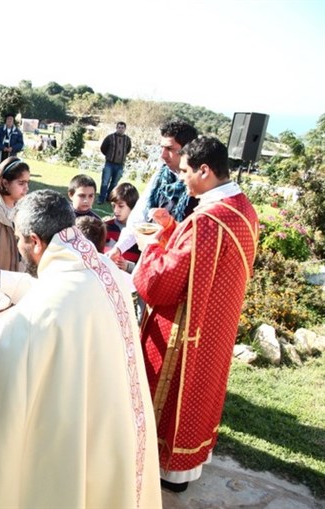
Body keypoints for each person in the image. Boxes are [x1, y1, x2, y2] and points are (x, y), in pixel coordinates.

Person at [0, 189, 162, 508]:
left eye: (19, 240)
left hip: (70, 432)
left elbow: (3, 355)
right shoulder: (103, 269)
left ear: (34, 240)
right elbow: (54, 290)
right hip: (111, 424)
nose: (18, 248)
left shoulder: (46, 310)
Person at [134, 136, 259, 492]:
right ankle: (187, 465)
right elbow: (203, 264)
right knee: (201, 396)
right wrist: (173, 230)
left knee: (175, 394)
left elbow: (163, 283)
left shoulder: (206, 220)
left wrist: (152, 245)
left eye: (186, 171)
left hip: (188, 329)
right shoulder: (242, 208)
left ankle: (167, 471)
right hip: (216, 326)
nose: (182, 178)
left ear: (205, 170)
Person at [110, 119, 198, 263]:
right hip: (152, 258)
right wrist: (119, 248)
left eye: (169, 149)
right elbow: (139, 217)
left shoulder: (200, 186)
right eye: (162, 148)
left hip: (180, 261)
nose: (162, 155)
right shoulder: (160, 176)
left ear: (188, 150)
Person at [105, 182, 140, 273]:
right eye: (113, 206)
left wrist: (128, 266)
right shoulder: (106, 226)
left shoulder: (141, 233)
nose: (116, 210)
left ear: (133, 206)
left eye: (121, 206)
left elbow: (143, 267)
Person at [98, 121, 132, 203]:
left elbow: (128, 150)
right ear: (116, 128)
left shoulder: (127, 140)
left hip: (120, 165)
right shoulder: (110, 137)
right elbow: (103, 148)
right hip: (109, 163)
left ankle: (109, 198)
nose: (120, 129)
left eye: (122, 128)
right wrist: (109, 155)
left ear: (125, 129)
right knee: (105, 181)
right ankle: (101, 199)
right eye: (119, 128)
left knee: (114, 184)